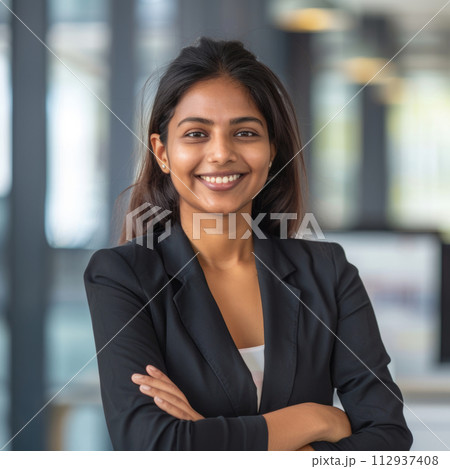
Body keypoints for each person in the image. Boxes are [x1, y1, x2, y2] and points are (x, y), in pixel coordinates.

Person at [83, 37, 413, 451]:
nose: (221, 153)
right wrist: (316, 418)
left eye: (244, 132)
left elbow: (389, 439)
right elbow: (153, 445)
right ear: (162, 153)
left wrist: (206, 436)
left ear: (272, 151)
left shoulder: (327, 272)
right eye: (197, 133)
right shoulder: (122, 276)